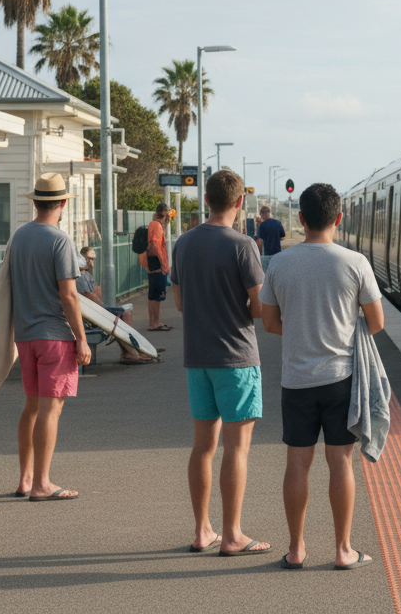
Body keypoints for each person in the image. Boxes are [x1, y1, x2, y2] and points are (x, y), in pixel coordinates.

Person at [260, 183, 383, 571]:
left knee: (297, 465)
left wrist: (301, 328)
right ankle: (344, 550)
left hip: (296, 380)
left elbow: (270, 323)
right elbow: (376, 322)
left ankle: (296, 550)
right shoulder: (354, 262)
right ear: (339, 218)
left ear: (300, 219)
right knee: (340, 463)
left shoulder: (279, 264)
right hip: (341, 379)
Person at [170, 171, 270, 556]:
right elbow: (259, 308)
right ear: (238, 202)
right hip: (237, 359)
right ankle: (233, 535)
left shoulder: (184, 243)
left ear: (206, 200)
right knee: (237, 449)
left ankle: (202, 530)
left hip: (197, 358)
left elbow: (179, 303)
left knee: (203, 447)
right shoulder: (243, 245)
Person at [6, 173, 92, 502]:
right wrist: (81, 339)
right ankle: (42, 482)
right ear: (63, 203)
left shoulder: (19, 237)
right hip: (54, 335)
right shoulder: (60, 240)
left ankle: (26, 477)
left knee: (31, 408)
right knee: (50, 410)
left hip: (25, 334)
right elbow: (69, 295)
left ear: (36, 201)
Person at [79, 245, 154, 364]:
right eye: (88, 258)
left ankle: (130, 352)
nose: (91, 262)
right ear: (82, 258)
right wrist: (101, 303)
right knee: (123, 315)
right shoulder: (81, 276)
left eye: (93, 259)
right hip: (90, 316)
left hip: (92, 312)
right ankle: (131, 352)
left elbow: (96, 295)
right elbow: (92, 297)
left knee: (123, 313)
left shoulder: (86, 275)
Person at [140, 203, 172, 331]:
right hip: (157, 262)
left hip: (151, 261)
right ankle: (154, 323)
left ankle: (153, 322)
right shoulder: (158, 226)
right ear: (165, 213)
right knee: (157, 295)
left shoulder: (153, 223)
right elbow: (156, 244)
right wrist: (164, 264)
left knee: (153, 295)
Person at [256, 205, 286, 272]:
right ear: (269, 213)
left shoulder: (262, 226)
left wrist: (259, 255)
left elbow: (259, 241)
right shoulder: (278, 223)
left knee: (266, 277)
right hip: (278, 255)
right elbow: (283, 235)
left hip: (266, 256)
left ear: (261, 214)